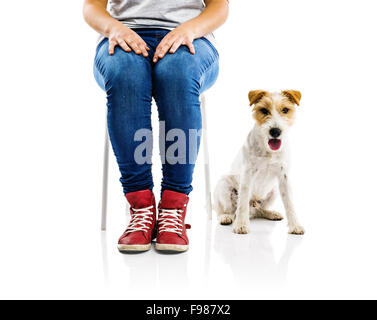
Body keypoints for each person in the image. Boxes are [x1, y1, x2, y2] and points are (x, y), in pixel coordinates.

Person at [83, 0, 229, 253]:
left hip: (190, 36)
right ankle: (141, 207)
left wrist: (190, 29)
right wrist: (114, 29)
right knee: (125, 75)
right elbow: (91, 7)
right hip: (123, 33)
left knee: (178, 75)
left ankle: (173, 207)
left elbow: (220, 6)